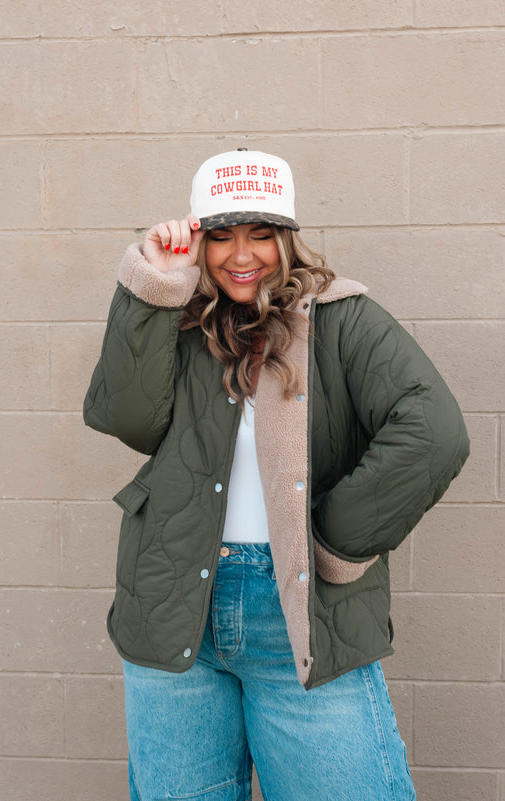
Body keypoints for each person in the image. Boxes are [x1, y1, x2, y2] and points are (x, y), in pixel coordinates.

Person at [83, 148, 469, 801]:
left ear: (286, 237)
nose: (241, 254)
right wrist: (155, 283)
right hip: (173, 598)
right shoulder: (180, 321)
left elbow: (434, 432)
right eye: (221, 235)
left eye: (260, 233)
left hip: (297, 609)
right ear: (200, 241)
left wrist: (334, 545)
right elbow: (126, 417)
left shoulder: (343, 317)